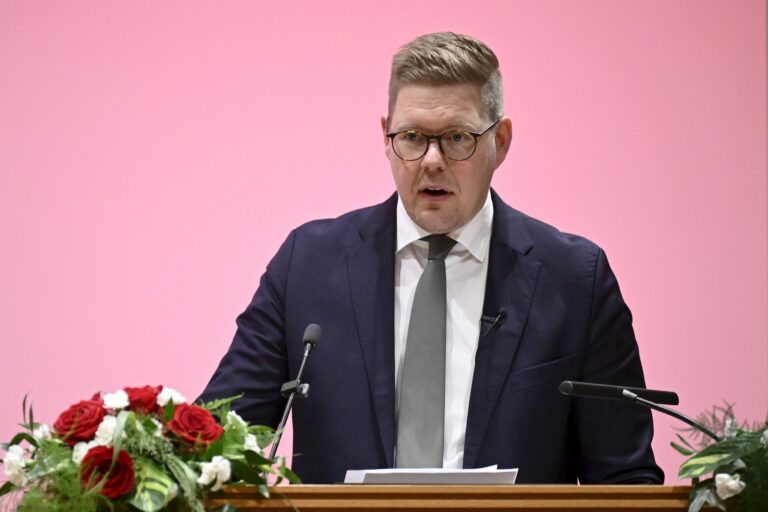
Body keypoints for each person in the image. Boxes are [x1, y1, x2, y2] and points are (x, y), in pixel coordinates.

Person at [199, 32, 664, 485]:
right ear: (386, 138)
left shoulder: (576, 280)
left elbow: (625, 478)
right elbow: (215, 441)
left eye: (458, 137)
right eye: (412, 137)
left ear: (501, 141)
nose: (432, 160)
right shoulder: (308, 266)